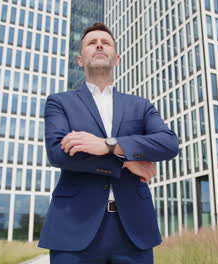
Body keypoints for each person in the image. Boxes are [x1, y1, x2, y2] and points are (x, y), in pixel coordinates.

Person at [39, 22, 178, 264]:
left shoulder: (140, 105)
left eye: (106, 42)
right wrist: (125, 163)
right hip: (73, 228)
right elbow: (58, 153)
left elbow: (168, 144)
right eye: (91, 43)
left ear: (117, 58)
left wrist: (108, 144)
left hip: (133, 230)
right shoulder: (59, 102)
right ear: (80, 60)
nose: (99, 45)